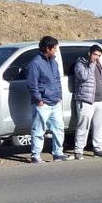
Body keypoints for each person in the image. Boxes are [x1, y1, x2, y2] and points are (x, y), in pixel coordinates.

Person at [27, 35, 71, 163]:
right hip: (43, 103)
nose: (56, 50)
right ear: (47, 48)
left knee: (59, 128)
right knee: (39, 129)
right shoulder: (35, 63)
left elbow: (57, 80)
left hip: (55, 102)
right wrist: (39, 100)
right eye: (54, 48)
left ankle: (58, 153)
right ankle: (35, 155)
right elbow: (32, 84)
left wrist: (59, 96)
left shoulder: (54, 62)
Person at [72, 44, 102, 158]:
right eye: (95, 54)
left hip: (100, 100)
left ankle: (98, 148)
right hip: (86, 100)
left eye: (99, 55)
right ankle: (78, 150)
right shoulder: (81, 64)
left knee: (100, 125)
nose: (97, 57)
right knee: (83, 126)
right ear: (89, 53)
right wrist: (92, 64)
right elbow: (84, 76)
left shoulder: (99, 64)